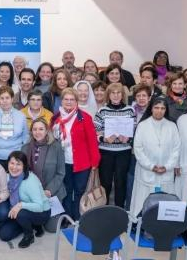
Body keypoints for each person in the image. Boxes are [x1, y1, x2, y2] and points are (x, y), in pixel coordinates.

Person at [52, 88, 101, 220]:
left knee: (79, 191)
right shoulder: (56, 118)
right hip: (63, 162)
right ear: (61, 101)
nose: (69, 102)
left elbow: (92, 142)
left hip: (82, 163)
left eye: (72, 99)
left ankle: (78, 217)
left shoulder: (85, 117)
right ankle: (67, 217)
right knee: (66, 191)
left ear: (76, 101)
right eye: (66, 99)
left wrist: (95, 163)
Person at [130, 96, 181, 217]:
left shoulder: (172, 126)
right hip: (146, 171)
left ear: (166, 110)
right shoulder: (143, 125)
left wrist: (167, 166)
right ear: (151, 108)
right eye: (156, 108)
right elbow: (138, 149)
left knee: (165, 205)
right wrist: (151, 166)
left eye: (162, 108)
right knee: (142, 203)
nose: (159, 111)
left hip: (166, 171)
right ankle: (140, 222)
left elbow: (176, 149)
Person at [0, 151, 51, 248]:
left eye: (18, 164)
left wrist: (21, 205)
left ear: (24, 166)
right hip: (20, 210)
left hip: (41, 212)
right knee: (4, 234)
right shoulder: (8, 177)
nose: (14, 167)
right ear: (8, 163)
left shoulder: (30, 181)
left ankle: (29, 235)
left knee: (20, 214)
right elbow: (2, 191)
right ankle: (28, 225)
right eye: (12, 163)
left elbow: (39, 206)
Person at [21, 119, 66, 232]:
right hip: (33, 194)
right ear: (31, 131)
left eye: (41, 129)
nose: (37, 132)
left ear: (47, 131)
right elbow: (22, 172)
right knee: (32, 222)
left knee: (52, 228)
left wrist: (49, 190)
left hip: (52, 193)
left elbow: (61, 173)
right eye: (35, 129)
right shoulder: (25, 148)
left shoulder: (56, 147)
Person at [94, 83, 134, 209]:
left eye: (118, 93)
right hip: (106, 151)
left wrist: (128, 138)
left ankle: (119, 209)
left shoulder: (130, 110)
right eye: (113, 93)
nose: (116, 95)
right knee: (105, 182)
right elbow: (95, 132)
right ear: (108, 95)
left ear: (122, 95)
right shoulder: (102, 110)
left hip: (124, 151)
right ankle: (105, 209)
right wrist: (103, 138)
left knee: (120, 182)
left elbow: (134, 130)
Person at [0, 86, 28, 168]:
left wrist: (24, 154)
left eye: (7, 98)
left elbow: (26, 137)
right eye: (2, 98)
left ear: (12, 99)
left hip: (16, 157)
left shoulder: (21, 116)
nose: (4, 101)